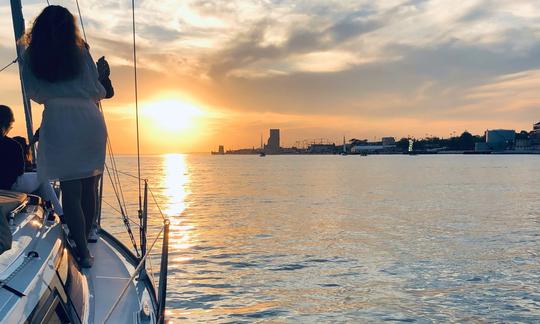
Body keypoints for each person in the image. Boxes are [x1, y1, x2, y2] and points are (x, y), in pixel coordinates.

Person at [22, 5, 113, 268]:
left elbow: (35, 93)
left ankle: (82, 252)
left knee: (71, 190)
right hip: (89, 120)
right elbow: (97, 91)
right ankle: (83, 242)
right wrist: (101, 78)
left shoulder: (32, 55)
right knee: (89, 188)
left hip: (59, 120)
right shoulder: (81, 51)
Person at [0, 105, 63, 216]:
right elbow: (19, 171)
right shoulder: (13, 145)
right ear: (7, 124)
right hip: (10, 185)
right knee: (42, 177)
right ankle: (59, 214)